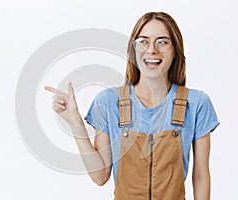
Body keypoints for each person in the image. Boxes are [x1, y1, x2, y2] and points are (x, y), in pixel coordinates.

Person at [45, 11, 219, 200]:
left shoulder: (197, 103)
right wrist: (75, 122)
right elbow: (100, 176)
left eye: (162, 41)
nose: (152, 49)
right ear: (133, 50)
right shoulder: (108, 101)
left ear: (175, 50)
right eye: (143, 41)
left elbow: (201, 177)